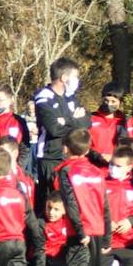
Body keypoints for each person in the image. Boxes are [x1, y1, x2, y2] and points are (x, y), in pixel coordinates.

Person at [54, 129, 109, 266]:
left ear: (66, 148)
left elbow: (70, 203)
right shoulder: (96, 172)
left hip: (79, 229)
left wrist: (79, 229)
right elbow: (105, 204)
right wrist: (107, 236)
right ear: (87, 151)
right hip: (97, 227)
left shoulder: (66, 171)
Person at [33, 58, 90, 196]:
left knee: (69, 198)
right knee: (50, 199)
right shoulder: (44, 97)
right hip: (50, 157)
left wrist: (65, 121)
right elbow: (53, 129)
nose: (78, 81)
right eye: (75, 77)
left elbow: (86, 123)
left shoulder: (70, 97)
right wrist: (73, 119)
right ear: (64, 78)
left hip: (69, 155)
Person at [104, 145, 133, 266]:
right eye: (111, 164)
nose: (113, 168)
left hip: (129, 243)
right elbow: (91, 210)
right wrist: (105, 223)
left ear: (129, 167)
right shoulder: (101, 183)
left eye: (118, 166)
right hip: (106, 243)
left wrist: (131, 222)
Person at [90, 84, 125, 158]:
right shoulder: (91, 118)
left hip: (115, 164)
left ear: (120, 103)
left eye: (113, 101)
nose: (109, 104)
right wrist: (97, 156)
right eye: (106, 100)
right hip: (93, 163)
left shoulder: (123, 122)